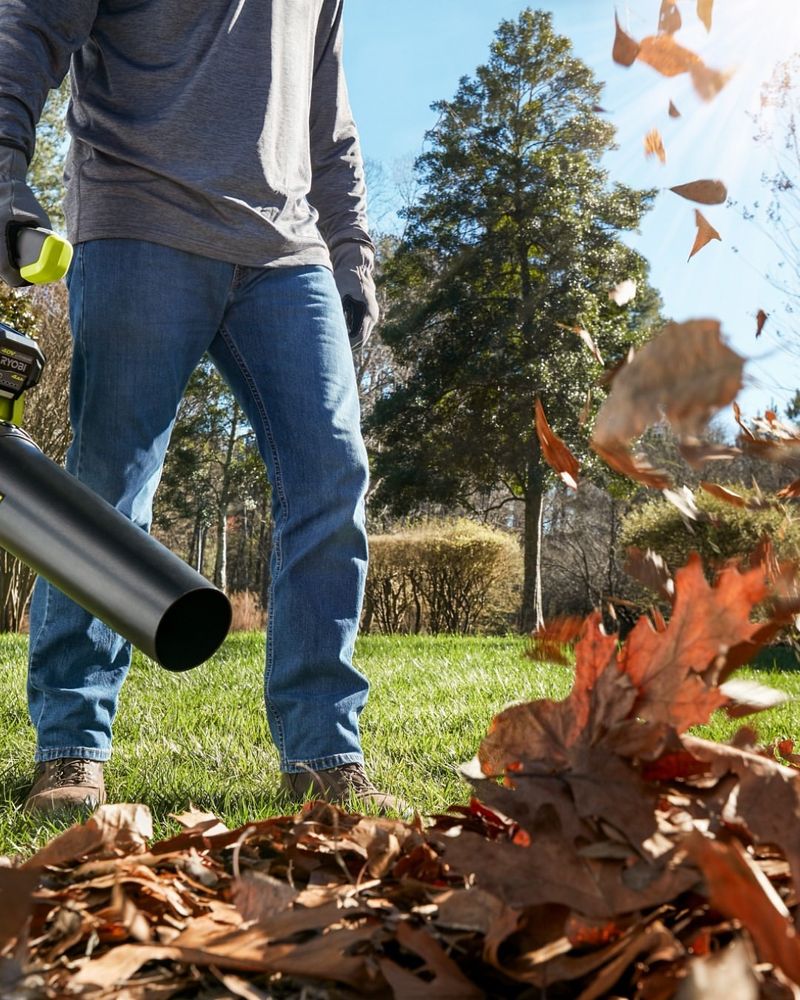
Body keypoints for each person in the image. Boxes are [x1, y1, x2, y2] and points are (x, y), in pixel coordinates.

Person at [0, 1, 402, 815]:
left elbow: (331, 123)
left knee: (332, 473)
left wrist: (353, 252)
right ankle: (72, 746)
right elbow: (26, 33)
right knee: (110, 487)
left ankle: (324, 748)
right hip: (139, 220)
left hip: (289, 251)